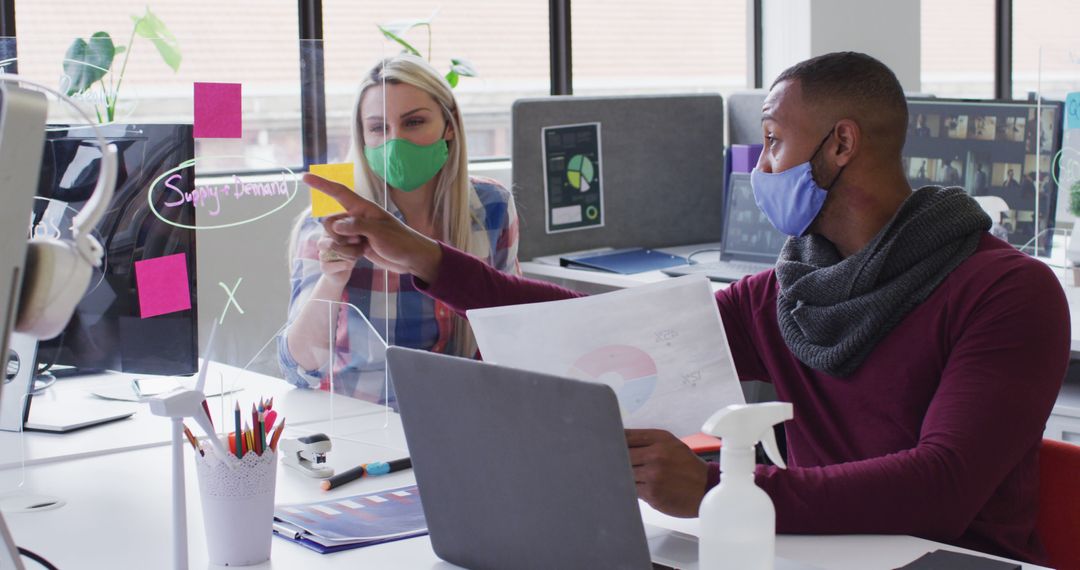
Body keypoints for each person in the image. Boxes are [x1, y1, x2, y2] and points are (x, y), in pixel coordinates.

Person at [304, 52, 1068, 565]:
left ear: (840, 144)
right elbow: (597, 330)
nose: (761, 166)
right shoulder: (793, 288)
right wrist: (426, 258)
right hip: (821, 550)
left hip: (949, 561)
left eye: (771, 143)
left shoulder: (1005, 293)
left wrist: (721, 492)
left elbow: (944, 484)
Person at [278, 54, 520, 399]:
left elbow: (512, 330)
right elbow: (299, 370)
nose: (396, 142)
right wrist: (333, 281)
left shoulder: (491, 206)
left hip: (461, 413)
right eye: (378, 128)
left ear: (448, 125)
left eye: (414, 122)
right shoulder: (332, 221)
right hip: (365, 423)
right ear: (362, 138)